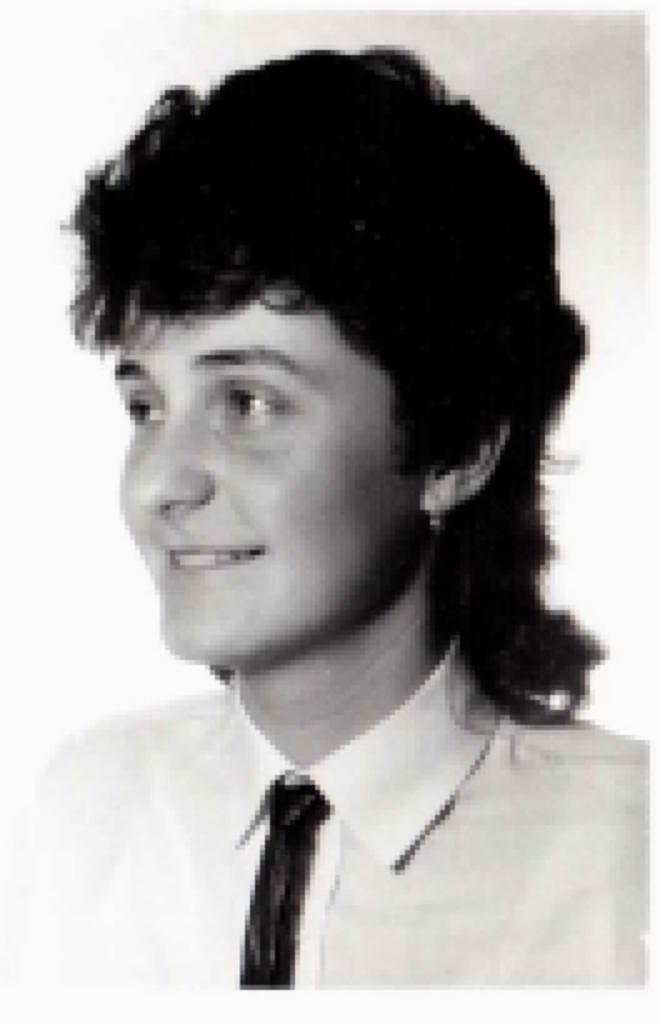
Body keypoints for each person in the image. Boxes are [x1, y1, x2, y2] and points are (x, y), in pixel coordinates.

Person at [12, 47, 647, 985]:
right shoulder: (76, 815)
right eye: (146, 407)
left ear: (455, 451)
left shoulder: (627, 857)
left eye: (247, 402)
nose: (157, 486)